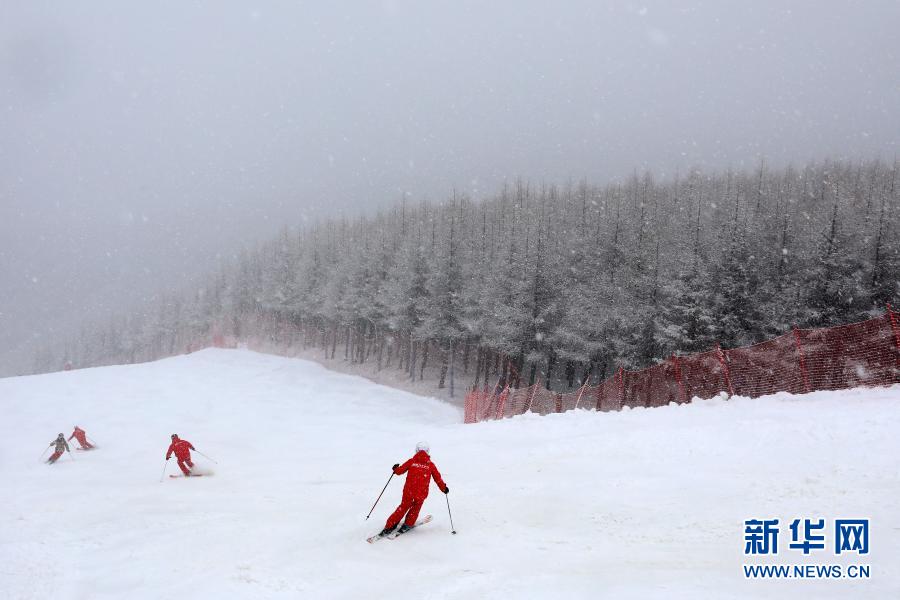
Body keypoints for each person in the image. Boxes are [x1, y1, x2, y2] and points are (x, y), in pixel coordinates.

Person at [380, 441, 449, 536]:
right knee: (415, 509)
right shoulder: (430, 465)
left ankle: (390, 526)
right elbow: (438, 479)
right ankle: (408, 524)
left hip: (409, 491)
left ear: (416, 450)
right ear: (428, 451)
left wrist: (395, 468)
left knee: (403, 507)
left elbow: (399, 471)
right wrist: (444, 488)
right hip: (421, 493)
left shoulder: (411, 461)